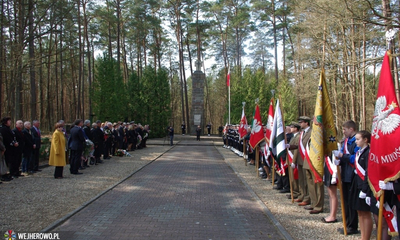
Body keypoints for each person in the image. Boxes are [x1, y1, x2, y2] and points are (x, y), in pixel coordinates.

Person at [334, 120, 360, 235]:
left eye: (345, 129)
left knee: (351, 202)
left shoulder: (356, 142)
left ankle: (352, 226)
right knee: (345, 201)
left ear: (351, 129)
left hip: (353, 175)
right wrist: (338, 160)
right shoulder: (345, 141)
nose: (343, 132)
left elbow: (355, 159)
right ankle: (347, 223)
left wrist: (342, 156)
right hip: (345, 174)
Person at [349, 130, 372, 240]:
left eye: (358, 139)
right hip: (356, 183)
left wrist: (365, 188)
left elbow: (368, 171)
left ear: (366, 140)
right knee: (360, 212)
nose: (356, 141)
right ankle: (363, 236)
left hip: (364, 185)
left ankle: (366, 237)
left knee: (365, 213)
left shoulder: (368, 152)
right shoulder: (359, 152)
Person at [296, 116, 311, 209]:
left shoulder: (311, 132)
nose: (300, 124)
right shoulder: (302, 133)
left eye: (301, 122)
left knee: (307, 181)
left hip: (307, 159)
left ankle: (307, 198)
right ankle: (302, 195)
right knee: (302, 180)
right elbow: (299, 145)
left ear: (306, 123)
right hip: (300, 159)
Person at [0, 117, 16, 181]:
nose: (10, 122)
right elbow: (5, 138)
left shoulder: (8, 129)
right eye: (9, 121)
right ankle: (3, 175)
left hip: (9, 147)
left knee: (8, 161)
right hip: (6, 147)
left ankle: (7, 174)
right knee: (5, 161)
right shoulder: (3, 129)